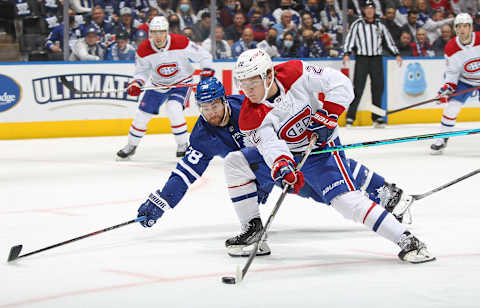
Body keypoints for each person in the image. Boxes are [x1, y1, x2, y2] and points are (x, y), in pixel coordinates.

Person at [136, 76, 416, 257]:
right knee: (316, 192)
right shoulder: (202, 135)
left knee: (328, 182)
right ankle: (254, 229)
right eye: (203, 108)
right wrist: (163, 201)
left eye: (213, 106)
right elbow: (187, 172)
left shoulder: (247, 107)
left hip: (285, 151)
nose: (209, 113)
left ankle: (385, 192)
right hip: (263, 167)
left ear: (224, 100)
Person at [233, 48, 434, 263]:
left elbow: (340, 83)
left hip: (323, 146)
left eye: (252, 82)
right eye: (242, 83)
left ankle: (408, 240)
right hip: (298, 155)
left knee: (345, 201)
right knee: (330, 195)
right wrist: (283, 167)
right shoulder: (249, 117)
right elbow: (270, 147)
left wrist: (328, 115)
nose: (247, 90)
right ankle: (388, 193)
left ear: (269, 75)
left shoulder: (294, 71)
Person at [116, 16, 214, 159]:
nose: (158, 36)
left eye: (161, 32)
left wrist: (206, 69)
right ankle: (131, 145)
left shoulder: (181, 42)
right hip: (158, 84)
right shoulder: (143, 49)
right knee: (142, 114)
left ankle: (182, 145)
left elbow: (204, 55)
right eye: (154, 32)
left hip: (181, 82)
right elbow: (141, 72)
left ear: (167, 32)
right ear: (150, 33)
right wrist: (136, 83)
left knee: (173, 108)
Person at [343, 0, 402, 128]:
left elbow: (388, 41)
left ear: (374, 10)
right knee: (358, 88)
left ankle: (377, 117)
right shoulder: (357, 24)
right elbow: (350, 39)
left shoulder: (380, 25)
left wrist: (396, 54)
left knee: (378, 88)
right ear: (364, 10)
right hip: (362, 58)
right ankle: (350, 117)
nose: (369, 10)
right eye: (367, 8)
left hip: (376, 59)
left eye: (371, 8)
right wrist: (346, 53)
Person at [430, 13, 480, 154]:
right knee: (451, 108)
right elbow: (452, 73)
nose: (462, 29)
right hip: (465, 81)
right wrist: (447, 89)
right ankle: (442, 138)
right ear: (455, 29)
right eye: (459, 27)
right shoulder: (451, 48)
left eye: (465, 26)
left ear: (471, 27)